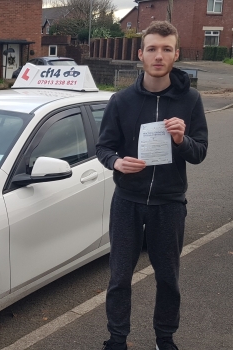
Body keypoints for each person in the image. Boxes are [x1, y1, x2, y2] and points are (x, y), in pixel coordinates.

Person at [96, 21, 208, 350]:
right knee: (119, 278)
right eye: (152, 49)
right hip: (127, 201)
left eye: (166, 49)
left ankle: (164, 339)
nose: (159, 56)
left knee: (168, 279)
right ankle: (117, 340)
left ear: (176, 55)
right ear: (141, 54)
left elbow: (199, 152)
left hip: (170, 204)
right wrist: (116, 162)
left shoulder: (191, 99)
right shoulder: (121, 100)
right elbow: (103, 147)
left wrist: (180, 139)